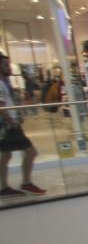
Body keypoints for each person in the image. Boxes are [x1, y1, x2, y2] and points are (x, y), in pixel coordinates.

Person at [0, 52, 45, 196]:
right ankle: (25, 183)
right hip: (8, 126)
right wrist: (12, 122)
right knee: (31, 152)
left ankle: (5, 187)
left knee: (6, 156)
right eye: (5, 65)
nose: (9, 67)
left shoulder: (5, 82)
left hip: (9, 124)